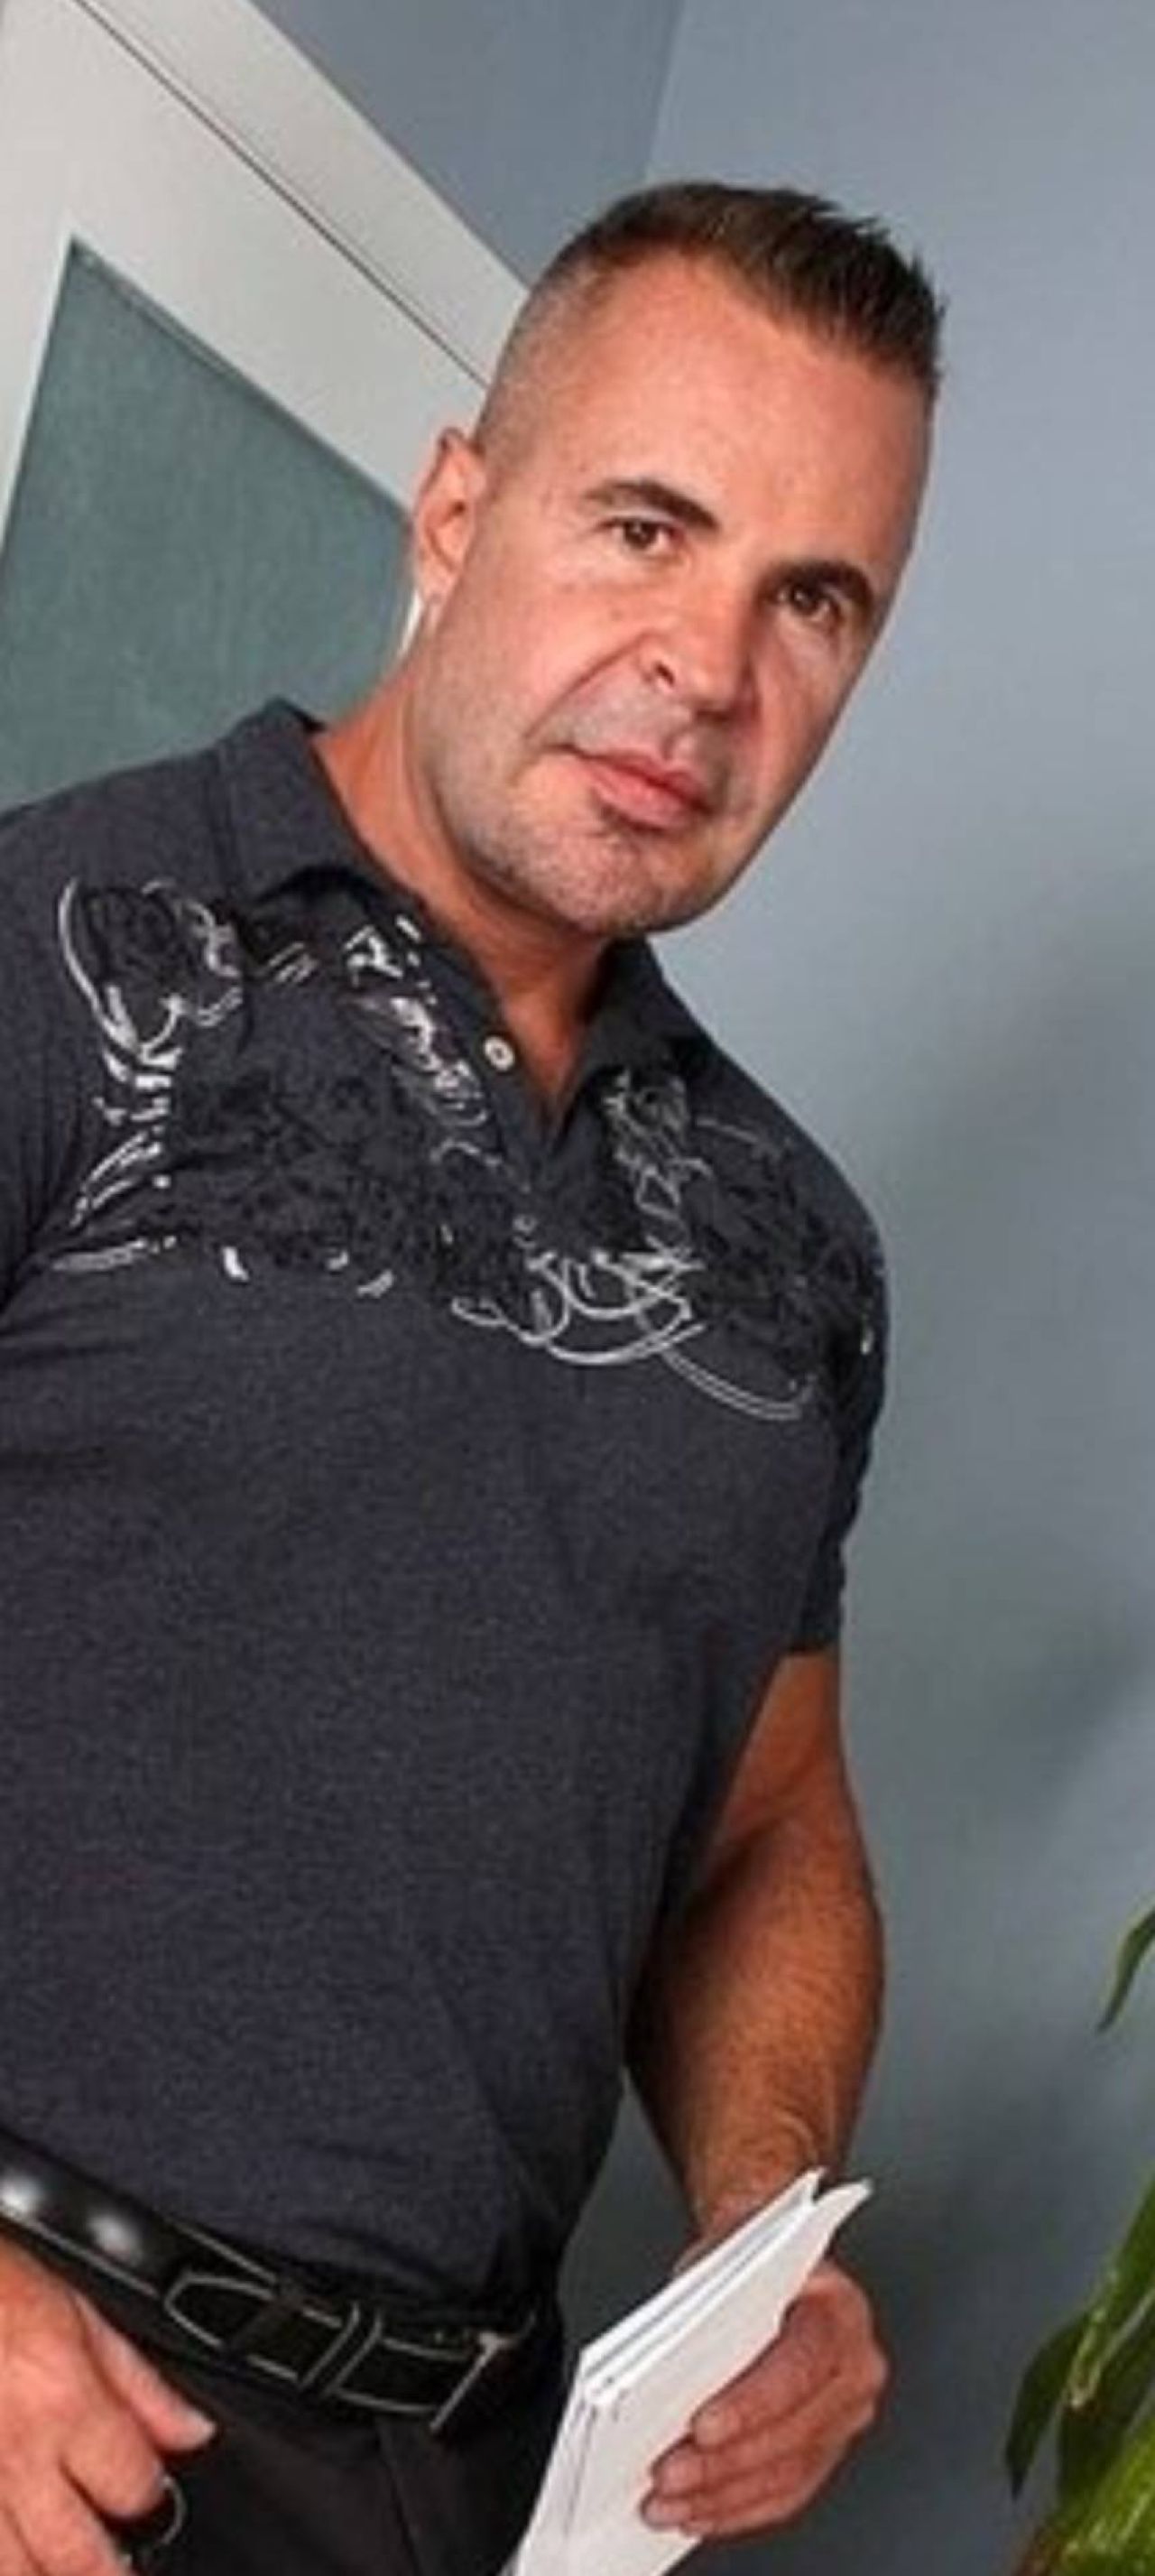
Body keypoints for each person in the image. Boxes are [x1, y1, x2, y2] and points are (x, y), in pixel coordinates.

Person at [0, 181, 941, 2574]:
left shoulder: (794, 1250)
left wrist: (760, 2232)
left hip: (463, 2487)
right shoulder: (52, 952)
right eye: (647, 526)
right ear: (454, 511)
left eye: (811, 601)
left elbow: (766, 1828)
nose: (706, 669)